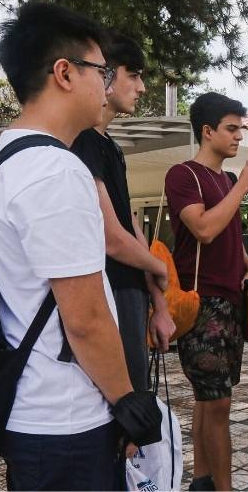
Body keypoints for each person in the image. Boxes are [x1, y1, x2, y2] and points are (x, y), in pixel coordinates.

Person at [0, 2, 160, 489]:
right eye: (100, 70)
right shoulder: (54, 170)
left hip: (33, 410)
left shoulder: (7, 157)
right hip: (67, 419)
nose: (106, 85)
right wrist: (128, 403)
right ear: (64, 73)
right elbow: (84, 319)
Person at [164, 92, 248, 491]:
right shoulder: (183, 174)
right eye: (231, 128)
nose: (239, 136)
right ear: (208, 131)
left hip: (229, 299)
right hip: (200, 299)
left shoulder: (224, 179)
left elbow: (227, 233)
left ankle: (202, 479)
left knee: (211, 398)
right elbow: (203, 227)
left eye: (241, 128)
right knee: (217, 402)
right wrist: (241, 189)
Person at [70, 32, 175, 390]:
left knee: (137, 402)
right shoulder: (81, 141)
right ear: (106, 77)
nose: (142, 87)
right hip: (107, 292)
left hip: (131, 292)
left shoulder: (110, 147)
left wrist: (159, 303)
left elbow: (131, 228)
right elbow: (111, 239)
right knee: (122, 408)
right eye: (134, 75)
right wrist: (160, 268)